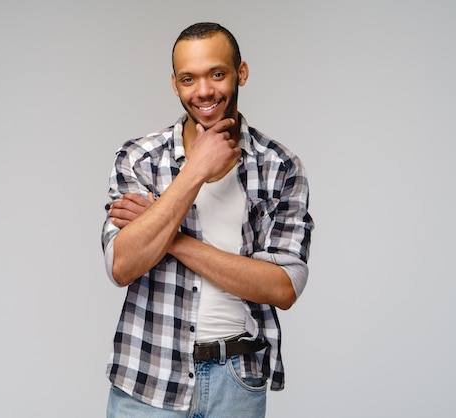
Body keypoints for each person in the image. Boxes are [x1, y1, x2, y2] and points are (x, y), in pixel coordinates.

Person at [101, 22, 314, 417]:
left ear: (241, 73)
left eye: (217, 74)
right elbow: (123, 265)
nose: (203, 91)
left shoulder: (279, 166)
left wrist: (173, 239)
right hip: (147, 376)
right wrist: (194, 170)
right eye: (189, 79)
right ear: (175, 84)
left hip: (237, 381)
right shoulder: (139, 159)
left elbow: (283, 287)